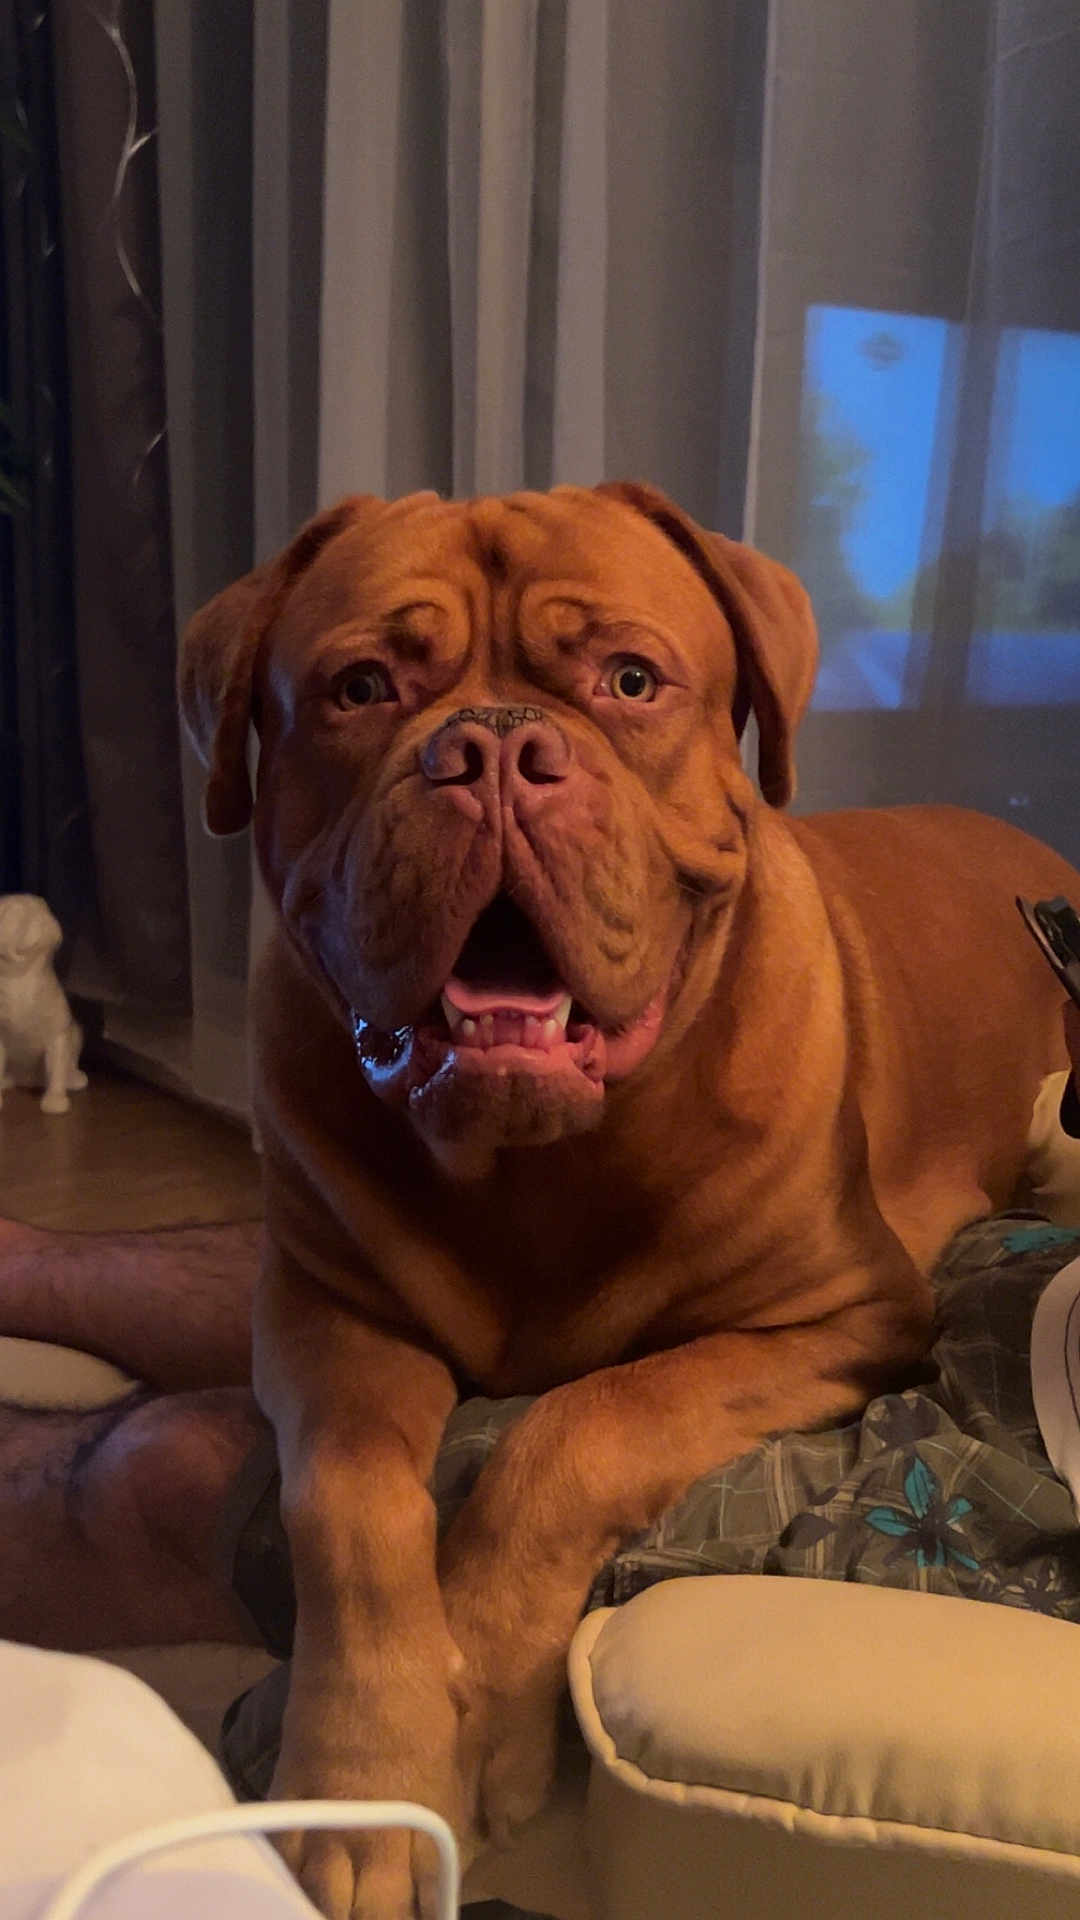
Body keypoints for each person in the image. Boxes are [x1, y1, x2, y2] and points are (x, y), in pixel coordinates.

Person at [1, 1009, 1079, 1657]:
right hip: (1037, 1292)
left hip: (1007, 1499)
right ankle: (29, 1264)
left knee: (186, 1478)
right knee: (447, 1274)